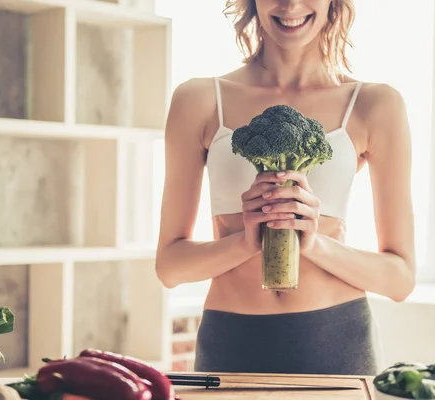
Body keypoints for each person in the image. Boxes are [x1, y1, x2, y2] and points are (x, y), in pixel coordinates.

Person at [155, 0, 415, 376]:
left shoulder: (374, 104)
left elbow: (400, 280)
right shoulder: (199, 99)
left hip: (336, 338)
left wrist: (314, 241)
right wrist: (245, 242)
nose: (290, 5)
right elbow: (170, 267)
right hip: (231, 339)